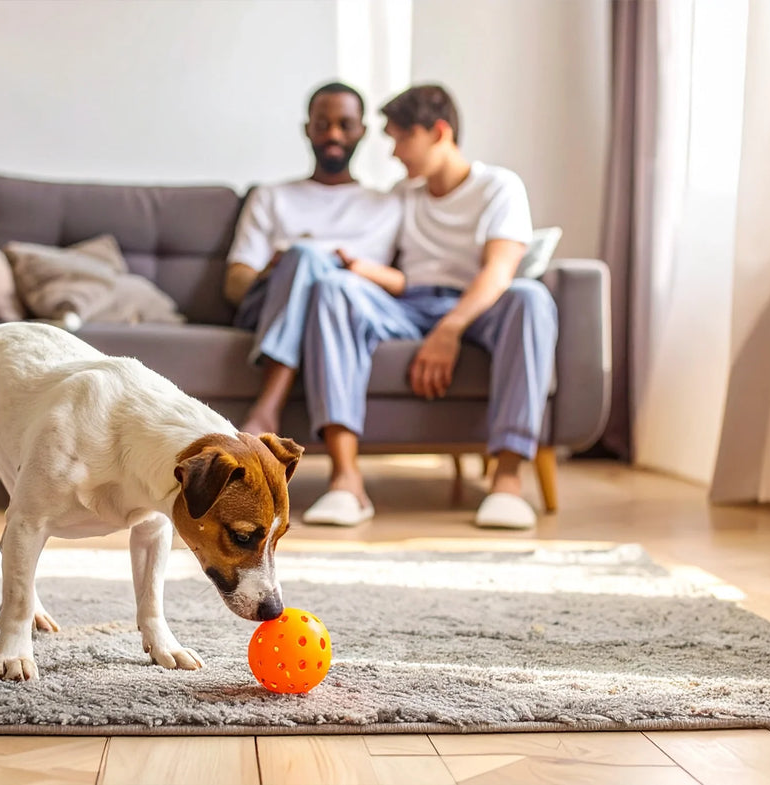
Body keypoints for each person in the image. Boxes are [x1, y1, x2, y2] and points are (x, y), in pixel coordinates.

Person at [296, 84, 558, 529]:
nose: (395, 153)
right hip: (406, 305)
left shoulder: (499, 187)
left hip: (478, 306)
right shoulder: (404, 194)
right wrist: (353, 266)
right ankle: (346, 481)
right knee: (334, 289)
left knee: (531, 297)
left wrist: (449, 330)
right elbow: (395, 276)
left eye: (400, 138)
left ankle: (508, 483)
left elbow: (498, 273)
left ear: (438, 132)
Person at [224, 80, 401, 460]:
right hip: (269, 308)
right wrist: (278, 270)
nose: (333, 134)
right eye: (322, 124)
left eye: (345, 124)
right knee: (303, 256)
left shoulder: (388, 205)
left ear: (362, 132)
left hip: (341, 314)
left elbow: (405, 285)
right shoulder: (271, 196)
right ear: (308, 129)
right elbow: (235, 286)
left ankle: (266, 409)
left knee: (320, 271)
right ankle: (268, 407)